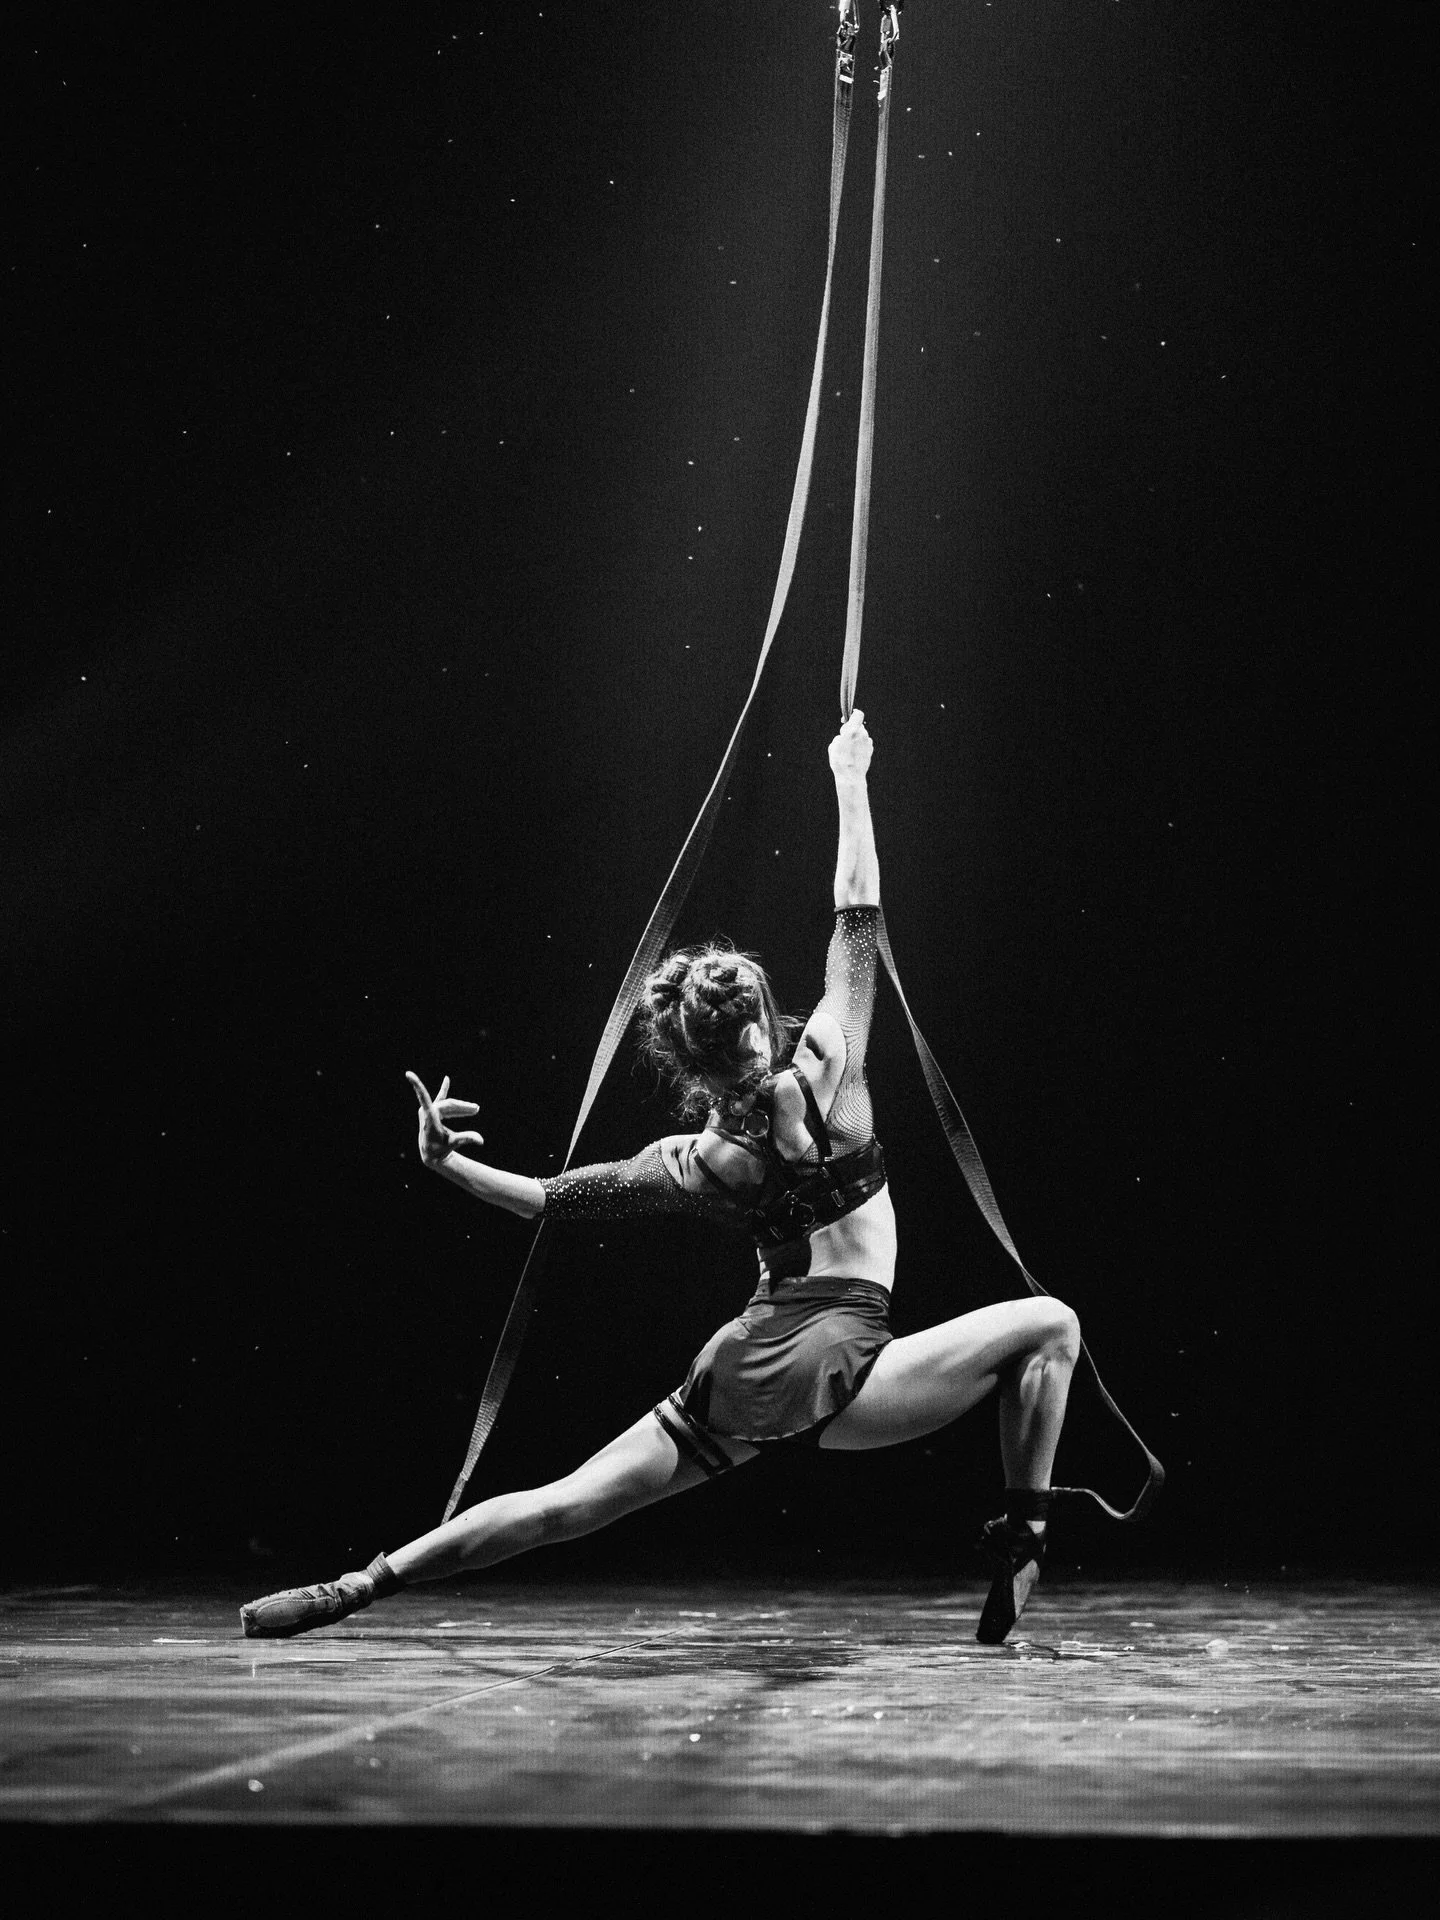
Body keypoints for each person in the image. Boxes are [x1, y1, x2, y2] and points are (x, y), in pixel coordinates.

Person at [241, 712, 1081, 1646]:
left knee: (565, 1505)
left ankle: (357, 1585)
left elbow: (548, 1198)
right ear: (762, 1019)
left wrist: (448, 1163)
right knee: (1051, 1327)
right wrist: (851, 776)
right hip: (849, 1365)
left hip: (746, 1364)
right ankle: (1024, 1533)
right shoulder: (833, 1072)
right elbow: (857, 914)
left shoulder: (692, 1162)